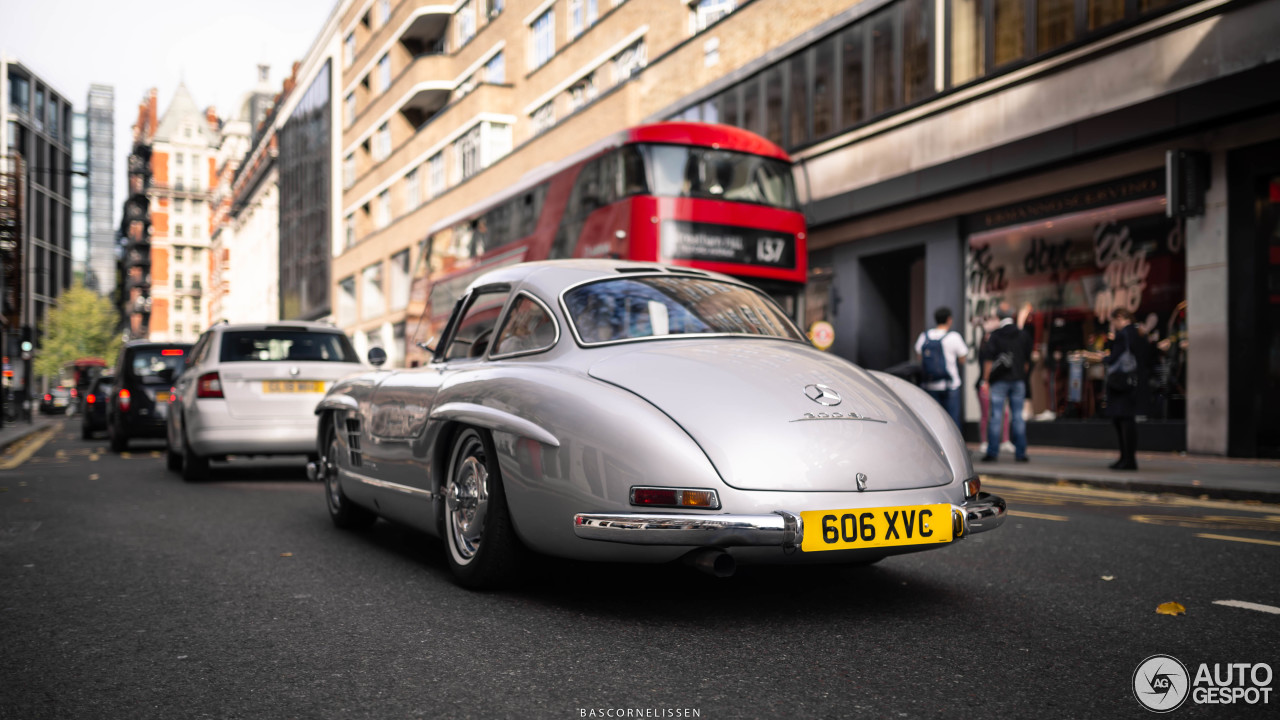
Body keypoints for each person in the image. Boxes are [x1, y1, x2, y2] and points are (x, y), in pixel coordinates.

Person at [1087, 308, 1151, 470]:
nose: (1113, 325)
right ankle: (1127, 459)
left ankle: (1127, 459)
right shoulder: (1139, 333)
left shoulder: (1124, 334)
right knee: (1125, 420)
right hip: (1134, 381)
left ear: (1121, 318)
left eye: (1114, 321)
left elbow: (1114, 357)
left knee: (1123, 421)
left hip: (1121, 383)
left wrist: (1102, 357)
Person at [980, 301, 1032, 462]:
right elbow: (1026, 361)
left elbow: (988, 360)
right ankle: (1021, 453)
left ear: (998, 316)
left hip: (999, 381)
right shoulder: (1022, 334)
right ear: (1012, 315)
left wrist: (986, 380)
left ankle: (992, 452)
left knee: (996, 416)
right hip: (1018, 380)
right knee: (1018, 416)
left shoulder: (995, 335)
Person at [915, 307, 969, 428]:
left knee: (933, 422)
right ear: (949, 320)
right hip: (950, 385)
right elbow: (962, 359)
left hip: (929, 385)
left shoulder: (924, 336)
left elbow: (919, 357)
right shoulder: (954, 337)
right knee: (952, 422)